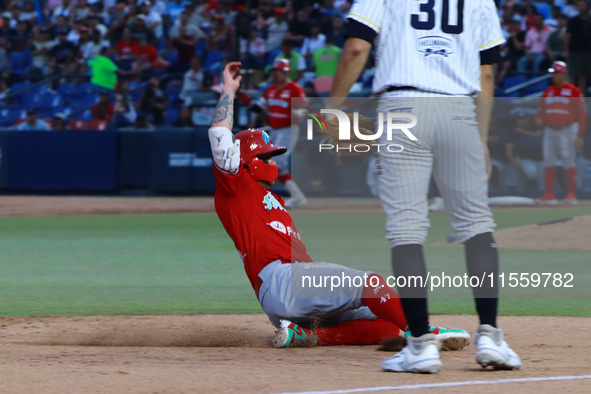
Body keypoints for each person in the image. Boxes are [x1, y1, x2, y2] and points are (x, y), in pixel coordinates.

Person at [208, 62, 469, 349]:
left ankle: (305, 336)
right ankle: (422, 332)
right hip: (283, 279)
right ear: (247, 163)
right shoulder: (237, 188)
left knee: (387, 325)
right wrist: (228, 91)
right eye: (267, 158)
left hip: (291, 293)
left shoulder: (272, 200)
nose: (273, 163)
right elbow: (220, 138)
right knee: (370, 283)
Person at [327, 0, 521, 373]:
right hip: (459, 109)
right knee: (477, 226)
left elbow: (356, 47)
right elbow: (486, 77)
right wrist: (480, 138)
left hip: (403, 107)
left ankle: (420, 346)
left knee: (406, 229)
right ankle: (491, 338)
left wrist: (331, 108)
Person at [252, 58, 308, 207]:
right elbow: (259, 107)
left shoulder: (294, 88)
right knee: (276, 164)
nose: (277, 74)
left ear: (288, 72)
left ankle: (294, 197)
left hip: (289, 129)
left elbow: (304, 109)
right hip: (275, 129)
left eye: (280, 71)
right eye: (275, 71)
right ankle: (297, 196)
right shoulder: (269, 90)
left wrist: (298, 112)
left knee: (279, 162)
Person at [536, 61, 586, 205]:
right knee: (548, 160)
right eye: (553, 73)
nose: (554, 76)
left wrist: (580, 135)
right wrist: (540, 118)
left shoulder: (574, 91)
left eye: (557, 73)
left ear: (564, 73)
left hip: (567, 129)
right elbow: (541, 110)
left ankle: (571, 194)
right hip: (549, 130)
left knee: (568, 161)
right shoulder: (548, 91)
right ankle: (549, 194)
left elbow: (581, 115)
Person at [565, 0, 591, 94]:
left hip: (588, 51)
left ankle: (580, 95)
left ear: (587, 7)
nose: (581, 8)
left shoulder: (589, 20)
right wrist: (566, 50)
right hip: (575, 51)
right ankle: (570, 95)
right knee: (573, 74)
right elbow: (568, 36)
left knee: (583, 75)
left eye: (583, 5)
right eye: (579, 5)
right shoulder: (573, 20)